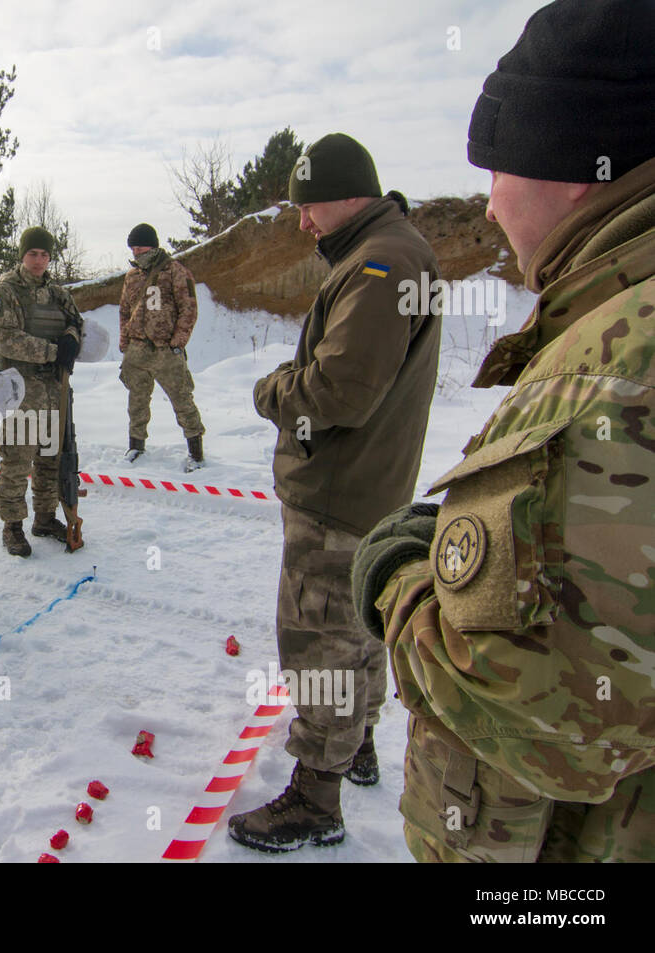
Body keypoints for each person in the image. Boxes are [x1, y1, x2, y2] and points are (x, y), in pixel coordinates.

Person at [352, 0, 655, 862]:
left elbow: (535, 707)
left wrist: (403, 574)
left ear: (573, 169)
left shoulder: (613, 369)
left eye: (497, 169)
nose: (488, 207)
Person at [228, 133, 442, 853]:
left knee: (321, 638)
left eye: (306, 205)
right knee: (359, 627)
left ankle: (317, 795)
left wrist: (273, 392)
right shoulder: (388, 249)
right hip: (366, 482)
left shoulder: (381, 261)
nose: (301, 223)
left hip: (340, 487)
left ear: (345, 194)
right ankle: (357, 746)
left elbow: (339, 391)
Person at [0, 227, 83, 557]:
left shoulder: (57, 294)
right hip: (21, 389)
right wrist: (55, 351)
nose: (39, 260)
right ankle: (12, 526)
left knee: (50, 459)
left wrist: (70, 335)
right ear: (22, 255)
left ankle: (44, 518)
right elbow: (6, 339)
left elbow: (77, 323)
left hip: (56, 388)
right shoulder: (6, 291)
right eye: (32, 254)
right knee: (16, 459)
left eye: (44, 254)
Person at [118, 223, 205, 470]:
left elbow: (189, 309)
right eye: (133, 247)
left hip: (165, 350)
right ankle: (136, 446)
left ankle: (195, 452)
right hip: (137, 350)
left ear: (154, 245)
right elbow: (124, 310)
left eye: (141, 245)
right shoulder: (132, 276)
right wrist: (125, 342)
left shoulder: (175, 271)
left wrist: (177, 343)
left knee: (182, 400)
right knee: (136, 402)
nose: (136, 251)